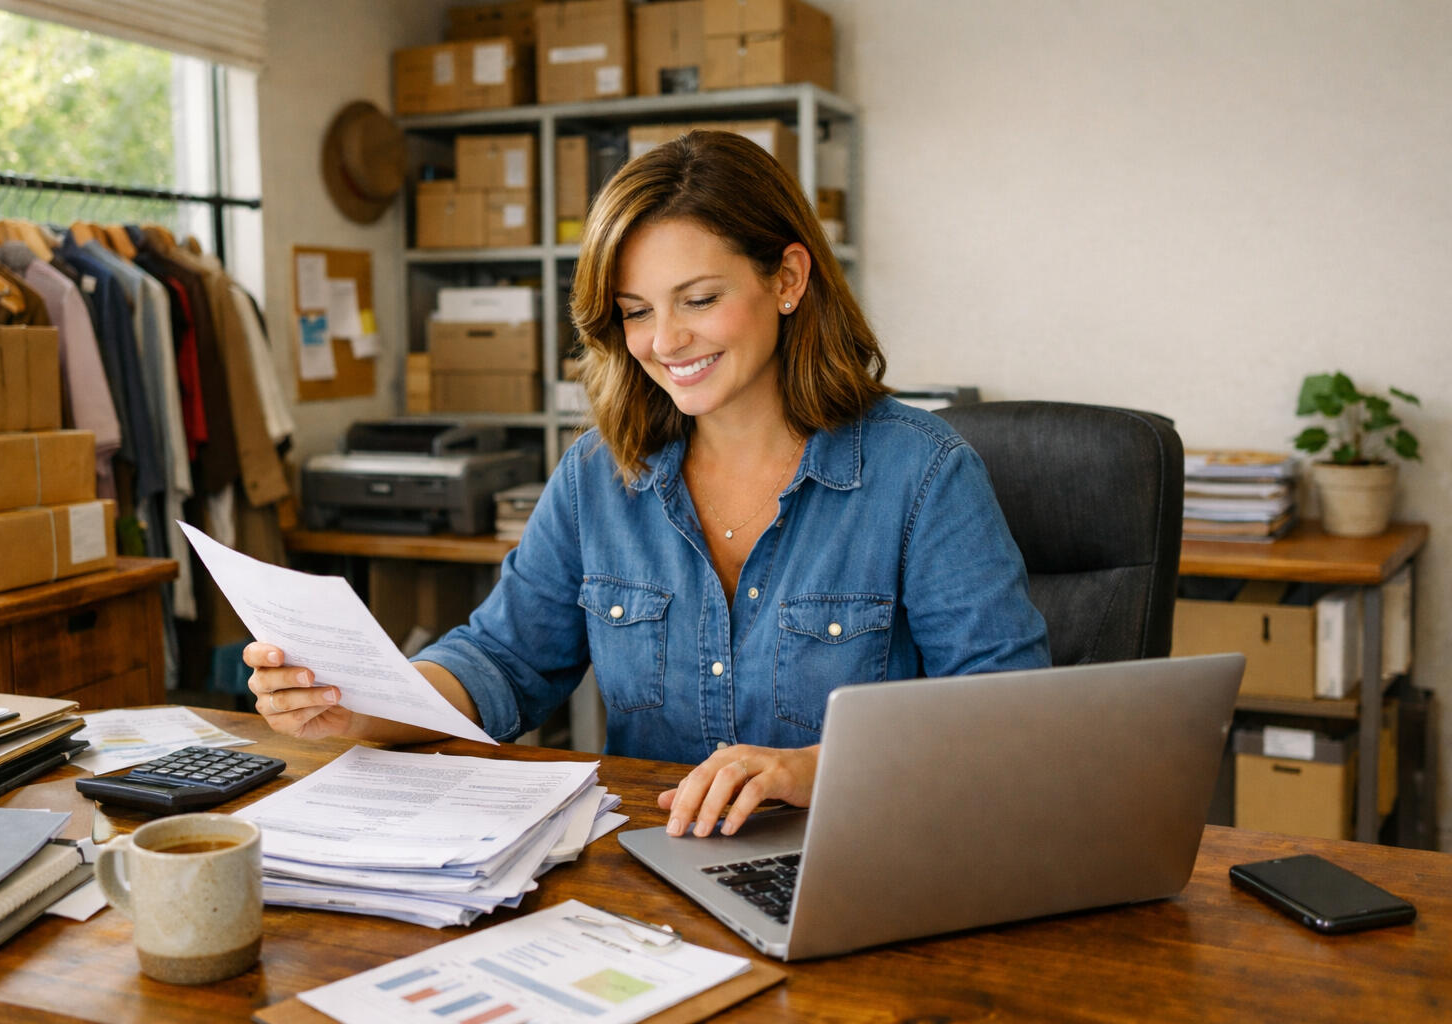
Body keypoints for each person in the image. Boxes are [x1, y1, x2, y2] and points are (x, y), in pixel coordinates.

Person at [246, 130, 1049, 841]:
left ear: (788, 279)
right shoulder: (601, 474)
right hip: (656, 869)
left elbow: (1010, 722)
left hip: (862, 857)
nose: (665, 342)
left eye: (698, 299)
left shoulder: (923, 474)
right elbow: (501, 661)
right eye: (635, 312)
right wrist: (363, 706)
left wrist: (813, 768)